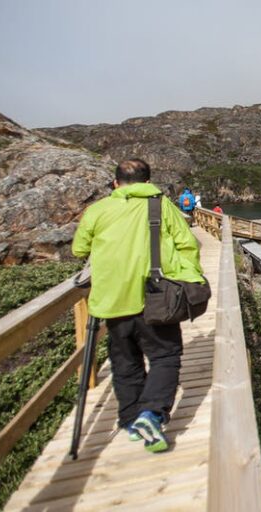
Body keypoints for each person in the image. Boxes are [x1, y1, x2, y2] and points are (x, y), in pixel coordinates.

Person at [72, 158, 205, 453]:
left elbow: (79, 249)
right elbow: (188, 244)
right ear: (147, 182)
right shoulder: (161, 206)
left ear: (116, 183)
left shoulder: (97, 211)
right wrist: (188, 277)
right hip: (155, 298)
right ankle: (153, 413)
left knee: (125, 361)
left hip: (110, 300)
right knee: (165, 356)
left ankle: (131, 420)